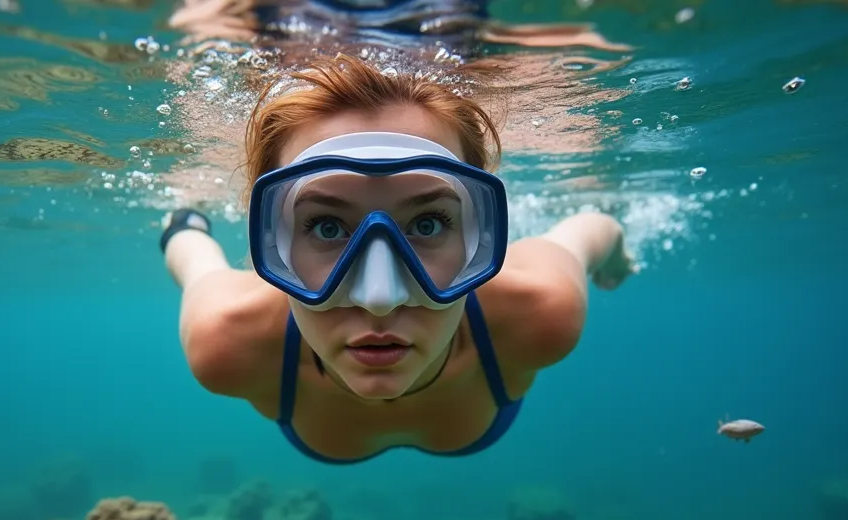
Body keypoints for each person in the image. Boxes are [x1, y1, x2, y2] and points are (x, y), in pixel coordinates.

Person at [157, 54, 633, 464]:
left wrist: (615, 260)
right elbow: (194, 261)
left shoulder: (539, 307)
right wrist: (184, 227)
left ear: (480, 238)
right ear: (272, 241)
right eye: (326, 226)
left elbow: (592, 228)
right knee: (189, 238)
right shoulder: (227, 339)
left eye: (428, 224)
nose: (379, 300)